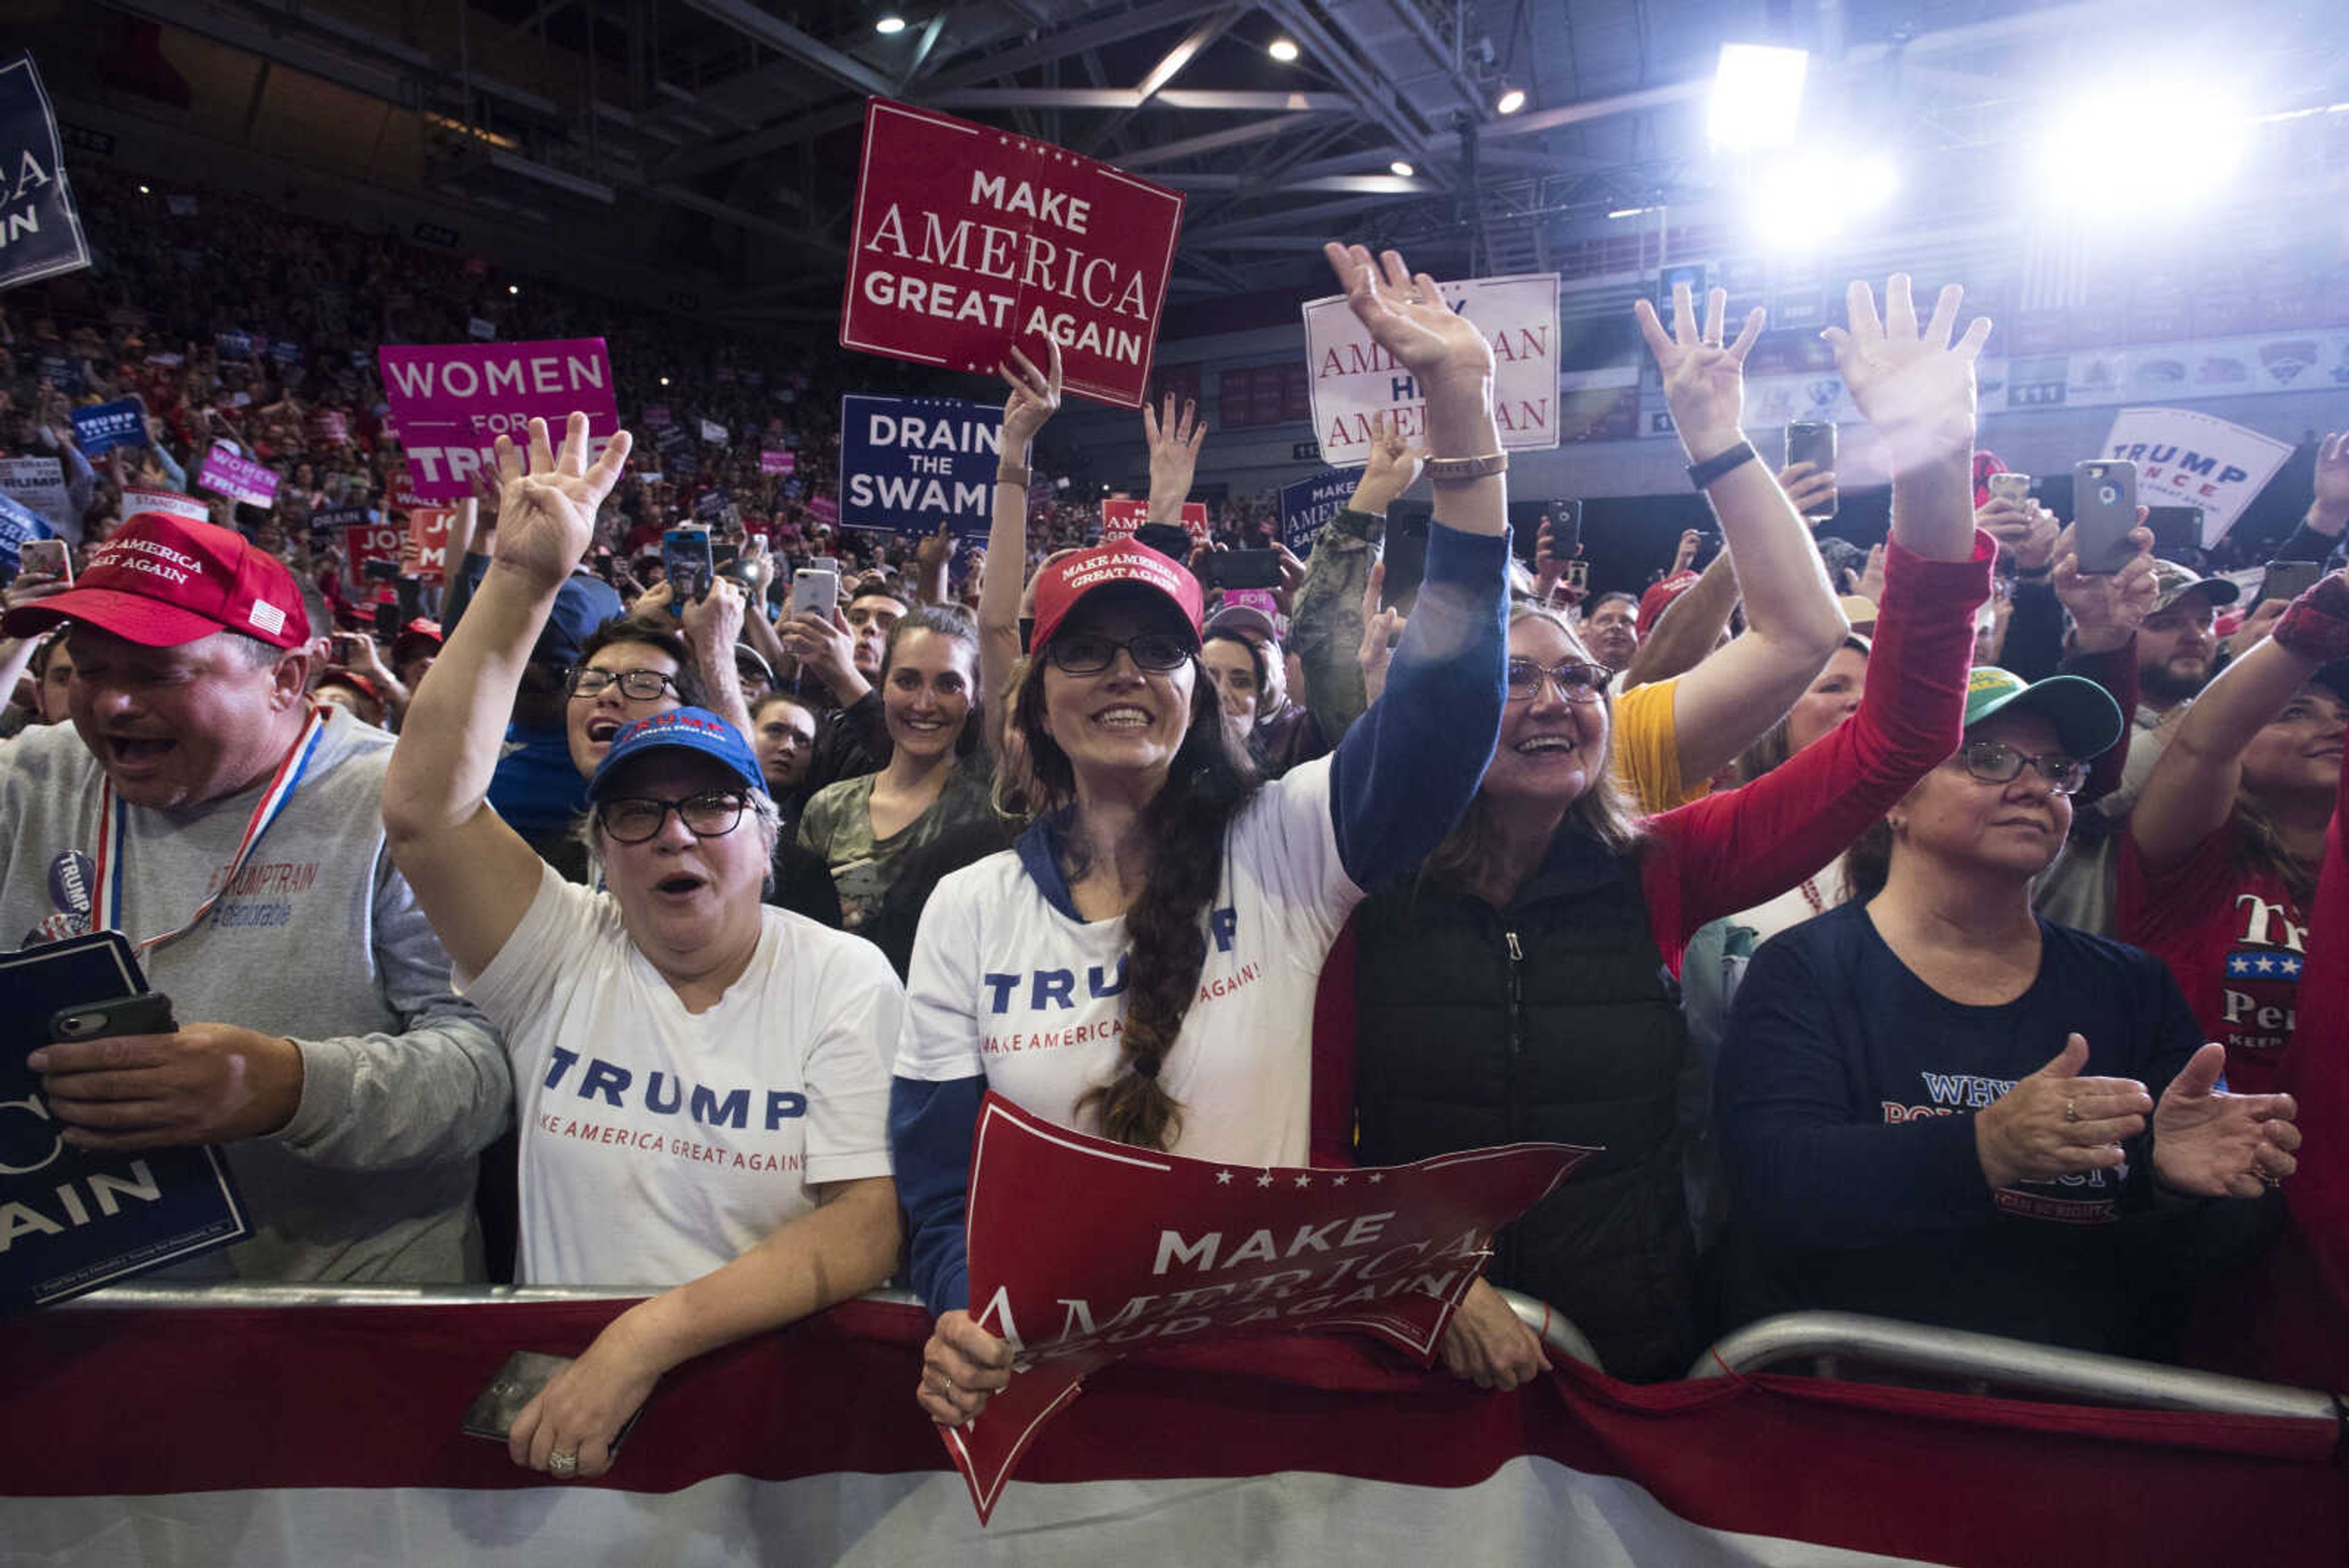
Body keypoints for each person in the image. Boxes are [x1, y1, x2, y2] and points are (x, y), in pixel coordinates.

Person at [1328, 275, 1994, 1384]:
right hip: (1403, 1347)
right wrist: (1420, 1274)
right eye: (1513, 677)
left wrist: (1924, 463)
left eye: (1581, 676)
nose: (1556, 699)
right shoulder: (1355, 872)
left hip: (1625, 1351)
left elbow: (1910, 727)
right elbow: (1297, 1128)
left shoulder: (1664, 868)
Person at [894, 242, 1514, 1430]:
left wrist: (1461, 414)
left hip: (1255, 1396)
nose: (1123, 673)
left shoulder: (1285, 842)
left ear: (1202, 690)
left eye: (1157, 651)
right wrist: (956, 1310)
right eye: (1085, 649)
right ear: (1033, 698)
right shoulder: (967, 908)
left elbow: (1443, 720)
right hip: (1051, 1401)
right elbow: (938, 1185)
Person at [380, 414, 902, 1481]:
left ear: (767, 837)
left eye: (713, 805)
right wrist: (520, 580)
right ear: (598, 852)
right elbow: (427, 810)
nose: (673, 831)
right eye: (637, 813)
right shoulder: (559, 946)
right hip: (560, 1433)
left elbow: (864, 1226)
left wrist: (643, 1338)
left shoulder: (842, 974)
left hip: (768, 1436)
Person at [1716, 665, 2300, 1359]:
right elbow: (1776, 1182)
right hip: (1857, 1399)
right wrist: (1984, 1147)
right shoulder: (1807, 967)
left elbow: (2219, 1243)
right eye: (1987, 759)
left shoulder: (2130, 985)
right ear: (1895, 798)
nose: (2034, 787)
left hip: (2073, 1408)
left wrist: (2182, 1189)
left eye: (2058, 769)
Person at [0, 511, 509, 1281]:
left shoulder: (406, 801)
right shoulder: (34, 779)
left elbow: (489, 1070)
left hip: (331, 1309)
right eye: (93, 669)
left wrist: (288, 1087)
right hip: (70, 1302)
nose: (112, 706)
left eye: (155, 674)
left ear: (285, 679)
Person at [2118, 571, 2348, 1094]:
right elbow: (2207, 743)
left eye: (2344, 714)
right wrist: (2331, 605)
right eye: (2294, 713)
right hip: (2200, 1154)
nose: (2334, 727)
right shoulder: (2195, 858)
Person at [797, 604, 1014, 972]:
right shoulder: (829, 809)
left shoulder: (994, 808)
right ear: (882, 686)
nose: (925, 703)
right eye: (908, 681)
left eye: (949, 684)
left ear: (976, 695)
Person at [2035, 561, 2240, 932]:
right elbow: (2094, 800)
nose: (2196, 636)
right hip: (2083, 954)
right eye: (2166, 623)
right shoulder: (2068, 722)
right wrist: (2217, 708)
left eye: (2205, 621)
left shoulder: (2235, 732)